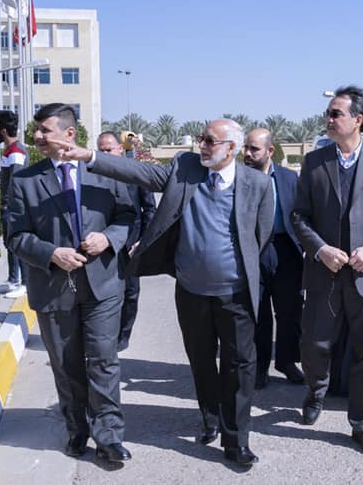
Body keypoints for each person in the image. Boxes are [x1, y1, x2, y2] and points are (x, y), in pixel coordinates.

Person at [58, 119, 274, 467]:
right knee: (202, 360)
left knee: (240, 366)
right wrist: (89, 156)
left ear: (231, 149)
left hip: (235, 293)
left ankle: (237, 441)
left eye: (210, 141)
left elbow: (260, 236)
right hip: (191, 291)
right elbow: (140, 172)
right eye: (202, 139)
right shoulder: (186, 169)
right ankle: (210, 419)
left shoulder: (258, 184)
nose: (202, 146)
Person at [7, 103, 135, 463]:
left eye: (44, 130)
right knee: (67, 365)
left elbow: (128, 215)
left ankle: (109, 436)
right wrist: (51, 254)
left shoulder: (104, 172)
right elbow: (15, 235)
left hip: (102, 285)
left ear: (69, 134)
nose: (37, 136)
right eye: (36, 130)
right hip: (53, 287)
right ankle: (77, 429)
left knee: (103, 360)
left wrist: (108, 237)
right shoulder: (24, 181)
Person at [292, 86, 363, 457]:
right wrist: (320, 249)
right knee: (315, 345)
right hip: (324, 274)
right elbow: (299, 216)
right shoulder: (315, 162)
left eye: (335, 113)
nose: (328, 119)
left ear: (357, 120)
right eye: (328, 113)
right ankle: (316, 390)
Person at [242, 128, 305, 389]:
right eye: (246, 147)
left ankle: (287, 362)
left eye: (254, 149)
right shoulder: (239, 178)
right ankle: (260, 366)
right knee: (258, 313)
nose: (247, 153)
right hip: (253, 251)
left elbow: (302, 213)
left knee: (290, 312)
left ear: (270, 151)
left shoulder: (289, 178)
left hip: (286, 250)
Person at [96, 132, 156, 352]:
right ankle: (104, 334)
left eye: (109, 149)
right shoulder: (92, 173)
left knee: (130, 292)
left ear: (120, 149)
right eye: (101, 150)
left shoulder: (136, 172)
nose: (105, 153)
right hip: (103, 244)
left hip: (131, 244)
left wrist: (143, 241)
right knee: (103, 292)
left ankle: (123, 335)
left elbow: (149, 208)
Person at [0, 110, 30, 297]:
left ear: (3, 131)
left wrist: (7, 204)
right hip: (10, 206)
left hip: (15, 207)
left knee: (18, 244)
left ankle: (25, 283)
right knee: (10, 244)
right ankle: (13, 280)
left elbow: (17, 179)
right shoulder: (10, 150)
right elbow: (7, 176)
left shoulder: (16, 151)